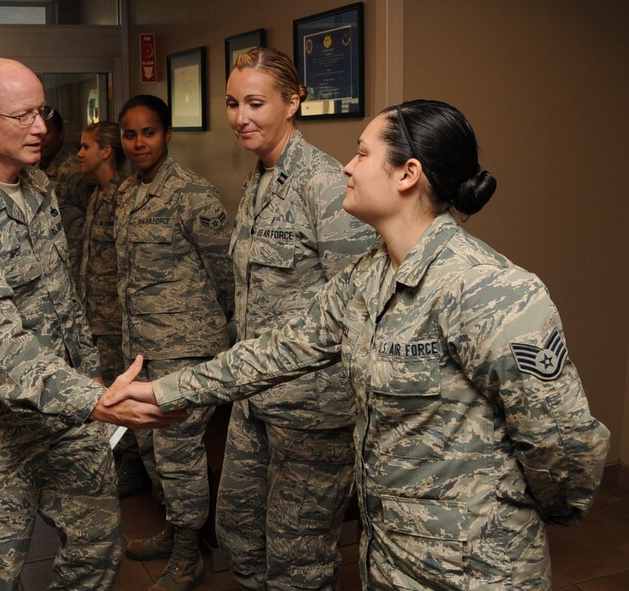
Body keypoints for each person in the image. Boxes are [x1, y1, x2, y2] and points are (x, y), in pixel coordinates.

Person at [108, 98, 611, 590]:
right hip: (388, 556)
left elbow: (564, 448)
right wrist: (163, 391)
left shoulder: (488, 290)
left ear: (407, 173)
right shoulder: (366, 277)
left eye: (363, 153)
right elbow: (277, 350)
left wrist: (511, 515)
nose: (347, 166)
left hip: (474, 567)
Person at [0, 57, 180, 590]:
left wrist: (91, 379)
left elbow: (65, 298)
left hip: (67, 419)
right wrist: (93, 399)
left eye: (41, 112)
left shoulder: (37, 187)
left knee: (98, 550)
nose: (40, 127)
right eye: (23, 116)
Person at [192, 47, 375, 591]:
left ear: (293, 102)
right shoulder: (259, 180)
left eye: (255, 103)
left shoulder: (324, 185)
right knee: (240, 533)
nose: (240, 118)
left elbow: (357, 309)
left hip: (312, 413)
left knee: (299, 558)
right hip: (254, 400)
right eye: (231, 104)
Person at [115, 94, 235, 591]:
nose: (138, 142)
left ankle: (189, 555)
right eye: (129, 134)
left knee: (179, 452)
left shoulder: (192, 194)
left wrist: (219, 338)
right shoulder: (126, 193)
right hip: (142, 345)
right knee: (151, 446)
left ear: (167, 135)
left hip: (186, 350)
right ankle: (172, 528)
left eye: (148, 132)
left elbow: (225, 273)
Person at [76, 121, 149, 496]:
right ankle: (118, 464)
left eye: (86, 147)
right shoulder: (97, 194)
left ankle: (131, 471)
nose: (79, 154)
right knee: (103, 392)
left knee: (120, 394)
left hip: (117, 318)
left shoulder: (123, 195)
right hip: (97, 315)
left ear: (106, 152)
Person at [40, 107, 96, 283]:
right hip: (46, 271)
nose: (41, 138)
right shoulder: (33, 172)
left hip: (73, 274)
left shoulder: (74, 172)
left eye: (47, 131)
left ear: (61, 135)